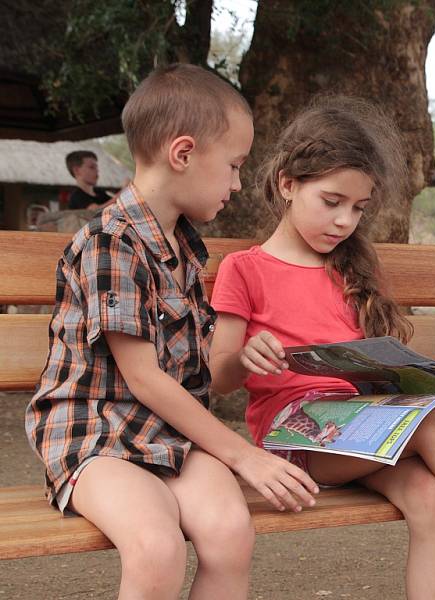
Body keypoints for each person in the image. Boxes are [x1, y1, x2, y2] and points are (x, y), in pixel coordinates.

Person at [209, 96, 435, 600]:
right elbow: (219, 377)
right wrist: (245, 356)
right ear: (287, 184)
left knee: (431, 497)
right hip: (296, 440)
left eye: (358, 209)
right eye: (331, 201)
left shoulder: (352, 269)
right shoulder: (246, 269)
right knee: (432, 420)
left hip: (364, 428)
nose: (344, 222)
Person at [26, 63, 318, 600]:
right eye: (233, 166)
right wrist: (243, 453)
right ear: (183, 154)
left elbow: (195, 373)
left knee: (231, 533)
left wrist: (238, 356)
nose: (236, 183)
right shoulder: (110, 242)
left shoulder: (182, 247)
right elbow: (144, 379)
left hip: (168, 432)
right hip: (98, 433)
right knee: (158, 546)